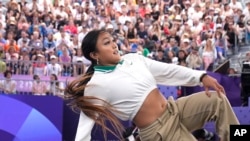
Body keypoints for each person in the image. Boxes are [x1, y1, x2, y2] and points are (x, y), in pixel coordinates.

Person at [65, 29, 239, 141]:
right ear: (95, 54)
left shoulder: (132, 58)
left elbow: (168, 71)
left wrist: (201, 77)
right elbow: (84, 129)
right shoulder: (96, 85)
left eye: (112, 40)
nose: (114, 45)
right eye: (106, 43)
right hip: (159, 132)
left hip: (175, 109)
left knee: (217, 101)